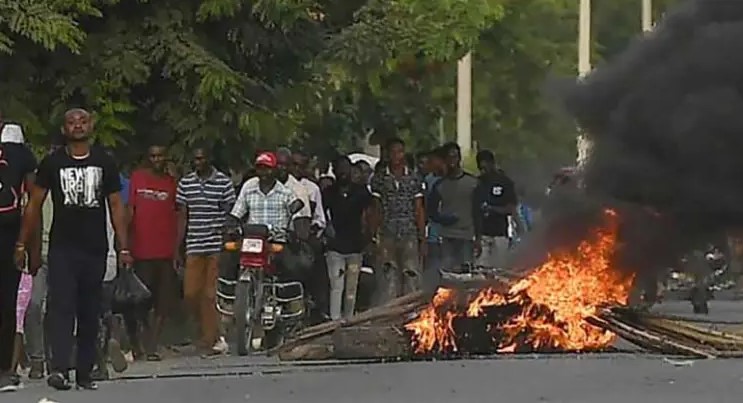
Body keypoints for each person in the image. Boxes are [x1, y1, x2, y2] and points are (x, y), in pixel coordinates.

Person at [16, 108, 131, 391]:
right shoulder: (52, 163)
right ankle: (59, 369)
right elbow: (34, 205)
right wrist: (22, 243)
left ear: (91, 125)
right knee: (61, 307)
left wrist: (124, 245)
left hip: (95, 248)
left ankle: (84, 372)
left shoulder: (104, 161)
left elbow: (116, 205)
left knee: (89, 310)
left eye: (82, 121)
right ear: (64, 129)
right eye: (71, 122)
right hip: (62, 248)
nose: (77, 126)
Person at [175, 147, 236, 356]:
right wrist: (178, 246)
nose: (198, 162)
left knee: (210, 295)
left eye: (201, 159)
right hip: (194, 243)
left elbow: (230, 213)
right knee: (191, 293)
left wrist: (226, 238)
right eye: (195, 159)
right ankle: (206, 333)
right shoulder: (186, 183)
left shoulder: (223, 182)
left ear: (210, 159)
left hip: (215, 245)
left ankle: (210, 340)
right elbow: (183, 216)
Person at [126, 144, 177, 361]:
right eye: (152, 156)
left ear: (166, 158)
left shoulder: (172, 183)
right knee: (139, 302)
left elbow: (179, 215)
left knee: (162, 302)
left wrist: (177, 251)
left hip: (165, 252)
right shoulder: (137, 178)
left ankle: (153, 345)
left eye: (160, 156)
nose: (156, 159)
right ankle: (139, 344)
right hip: (141, 251)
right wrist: (125, 246)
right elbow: (130, 211)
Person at [0, 121, 37, 392]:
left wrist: (28, 244)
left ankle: (4, 369)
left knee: (6, 302)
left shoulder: (18, 149)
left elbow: (32, 200)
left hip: (9, 234)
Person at [370, 138, 426, 303]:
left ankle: (411, 311)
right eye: (393, 152)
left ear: (404, 153)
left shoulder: (414, 178)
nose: (396, 156)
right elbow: (376, 209)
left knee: (411, 273)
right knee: (389, 275)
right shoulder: (379, 179)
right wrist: (375, 237)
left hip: (409, 232)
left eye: (400, 151)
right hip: (387, 233)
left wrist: (422, 238)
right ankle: (389, 312)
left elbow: (419, 209)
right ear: (387, 154)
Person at [323, 156, 374, 319]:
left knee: (351, 288)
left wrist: (369, 238)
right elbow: (322, 215)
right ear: (334, 170)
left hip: (355, 248)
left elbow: (370, 214)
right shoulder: (328, 193)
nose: (343, 171)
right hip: (335, 248)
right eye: (339, 168)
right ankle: (334, 322)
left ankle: (349, 320)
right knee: (336, 287)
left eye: (346, 167)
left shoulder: (361, 192)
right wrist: (326, 228)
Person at [427, 142, 479, 273]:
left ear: (459, 158)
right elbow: (431, 212)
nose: (452, 161)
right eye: (449, 157)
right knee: (448, 274)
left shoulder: (473, 183)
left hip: (467, 236)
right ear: (444, 160)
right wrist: (444, 219)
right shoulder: (439, 185)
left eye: (455, 157)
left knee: (467, 274)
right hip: (447, 236)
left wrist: (478, 238)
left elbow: (478, 212)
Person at [242, 148, 311, 239]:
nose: (282, 168)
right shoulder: (250, 185)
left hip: (282, 240)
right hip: (253, 238)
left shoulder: (299, 190)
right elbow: (238, 212)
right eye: (279, 164)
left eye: (286, 165)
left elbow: (302, 221)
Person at [472, 150, 518, 269]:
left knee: (499, 269)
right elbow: (474, 211)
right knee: (480, 269)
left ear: (492, 163)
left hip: (500, 234)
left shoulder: (505, 182)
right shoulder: (477, 183)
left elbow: (511, 208)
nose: (483, 171)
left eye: (485, 167)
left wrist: (492, 209)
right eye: (480, 168)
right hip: (482, 235)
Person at [423, 148, 446, 284]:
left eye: (433, 161)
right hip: (433, 231)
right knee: (434, 266)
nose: (431, 164)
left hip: (450, 233)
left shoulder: (451, 180)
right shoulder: (429, 180)